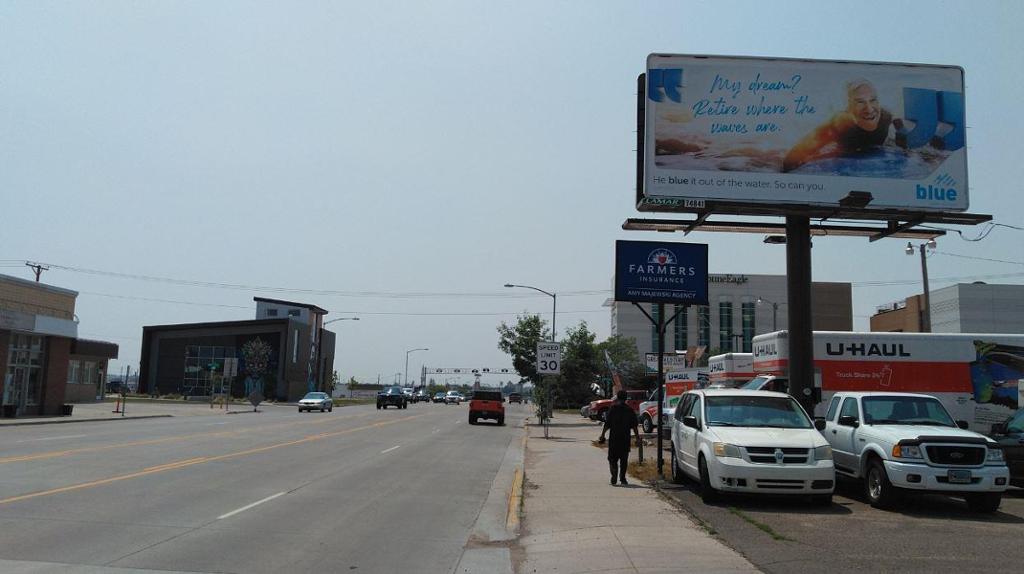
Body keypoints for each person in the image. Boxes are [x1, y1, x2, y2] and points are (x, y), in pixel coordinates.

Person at [782, 79, 897, 172]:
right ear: (848, 107)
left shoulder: (886, 117)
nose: (869, 109)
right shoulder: (840, 125)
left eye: (873, 100)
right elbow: (791, 160)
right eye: (860, 102)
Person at [599, 390, 640, 486]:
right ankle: (623, 478)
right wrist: (637, 438)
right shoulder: (630, 410)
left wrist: (603, 434)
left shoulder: (613, 409)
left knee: (612, 458)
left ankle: (614, 472)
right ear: (626, 398)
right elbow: (634, 426)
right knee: (623, 460)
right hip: (625, 438)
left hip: (614, 438)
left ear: (617, 397)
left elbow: (607, 424)